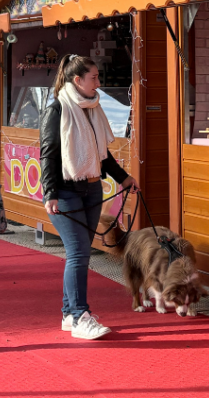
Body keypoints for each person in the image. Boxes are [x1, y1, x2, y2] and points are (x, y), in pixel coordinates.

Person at [40, 54, 137, 340]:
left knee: (80, 252)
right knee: (79, 252)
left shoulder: (94, 108)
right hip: (66, 190)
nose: (99, 82)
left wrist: (124, 178)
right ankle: (80, 314)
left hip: (92, 187)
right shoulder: (57, 109)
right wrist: (50, 193)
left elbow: (101, 155)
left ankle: (70, 313)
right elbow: (48, 154)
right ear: (77, 80)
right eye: (93, 77)